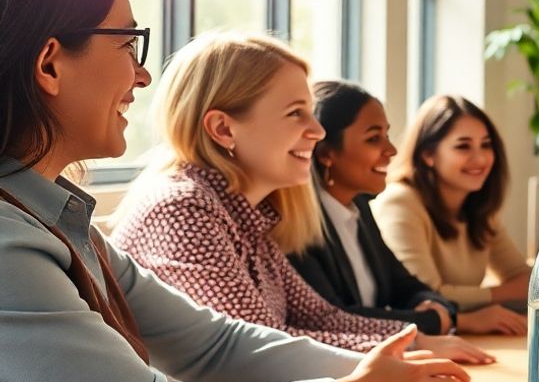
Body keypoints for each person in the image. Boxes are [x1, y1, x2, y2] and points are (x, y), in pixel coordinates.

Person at [0, 0, 473, 382]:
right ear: (50, 65)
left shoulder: (61, 223)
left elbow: (214, 344)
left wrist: (378, 374)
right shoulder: (10, 241)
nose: (142, 73)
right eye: (127, 45)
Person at [112, 33, 490, 364]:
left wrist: (416, 339)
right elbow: (258, 350)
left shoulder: (247, 212)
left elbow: (321, 317)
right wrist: (404, 347)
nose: (317, 130)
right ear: (223, 129)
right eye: (296, 113)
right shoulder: (183, 209)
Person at [290, 82, 521, 339]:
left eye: (387, 135)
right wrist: (437, 321)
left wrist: (435, 308)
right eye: (373, 138)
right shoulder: (298, 224)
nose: (392, 150)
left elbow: (404, 285)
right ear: (326, 153)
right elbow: (334, 318)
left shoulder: (359, 208)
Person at [372, 95, 530, 332]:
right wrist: (497, 295)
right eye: (463, 146)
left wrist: (476, 300)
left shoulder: (478, 206)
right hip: (418, 342)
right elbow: (425, 296)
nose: (480, 158)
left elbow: (528, 280)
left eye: (486, 145)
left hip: (460, 337)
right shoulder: (399, 201)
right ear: (428, 154)